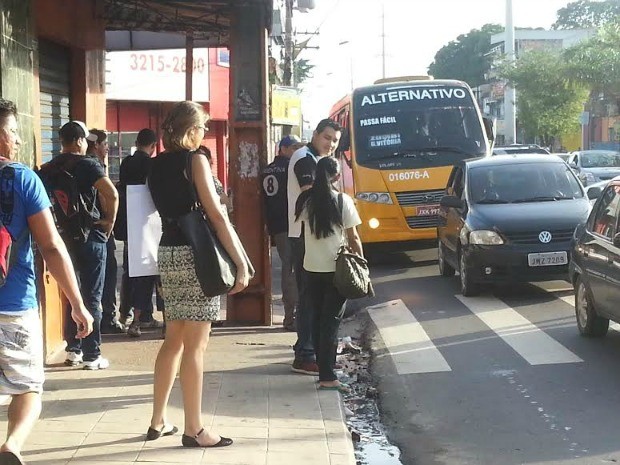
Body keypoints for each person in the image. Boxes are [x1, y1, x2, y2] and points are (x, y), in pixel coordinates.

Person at [147, 101, 250, 447]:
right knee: (196, 344)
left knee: (173, 338)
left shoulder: (155, 165)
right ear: (191, 130)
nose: (205, 133)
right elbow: (216, 216)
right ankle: (195, 428)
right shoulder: (196, 161)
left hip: (169, 251)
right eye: (203, 127)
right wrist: (241, 263)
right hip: (197, 254)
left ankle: (157, 420)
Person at [0, 98, 93, 464]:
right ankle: (12, 445)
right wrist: (77, 303)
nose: (19, 141)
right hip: (14, 305)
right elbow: (52, 246)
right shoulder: (22, 178)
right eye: (13, 132)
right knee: (27, 388)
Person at [40, 121, 118, 370]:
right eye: (85, 140)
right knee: (92, 295)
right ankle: (92, 354)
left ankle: (73, 348)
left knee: (70, 293)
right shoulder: (88, 164)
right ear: (77, 141)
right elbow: (112, 194)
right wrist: (109, 222)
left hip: (62, 240)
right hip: (91, 236)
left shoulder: (48, 168)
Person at [295, 156, 363, 393]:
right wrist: (361, 262)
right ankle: (328, 376)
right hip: (335, 270)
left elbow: (302, 232)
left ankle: (324, 370)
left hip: (311, 268)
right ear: (336, 176)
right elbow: (353, 237)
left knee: (316, 320)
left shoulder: (306, 202)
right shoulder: (343, 202)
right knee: (331, 323)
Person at [287, 119, 342, 375]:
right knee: (308, 298)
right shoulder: (304, 158)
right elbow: (311, 194)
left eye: (335, 141)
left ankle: (312, 351)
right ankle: (305, 354)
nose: (331, 144)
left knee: (317, 298)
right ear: (316, 135)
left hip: (316, 239)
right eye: (327, 138)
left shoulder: (318, 160)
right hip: (303, 238)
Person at [116, 129, 164, 338]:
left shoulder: (126, 164)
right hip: (150, 225)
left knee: (132, 272)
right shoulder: (153, 165)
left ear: (137, 142)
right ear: (153, 146)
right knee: (155, 272)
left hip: (130, 226)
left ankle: (127, 314)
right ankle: (151, 319)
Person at [262, 135, 304, 331]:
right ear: (284, 148)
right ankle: (291, 317)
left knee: (289, 268)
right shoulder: (291, 168)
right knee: (293, 270)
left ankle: (291, 315)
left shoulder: (266, 170)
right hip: (292, 224)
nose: (297, 151)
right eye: (294, 147)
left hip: (276, 225)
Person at [86, 129, 123, 334]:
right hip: (100, 229)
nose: (107, 148)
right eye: (105, 144)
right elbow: (108, 195)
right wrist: (110, 221)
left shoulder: (83, 164)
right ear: (96, 145)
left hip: (84, 230)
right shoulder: (94, 166)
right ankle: (108, 318)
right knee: (107, 275)